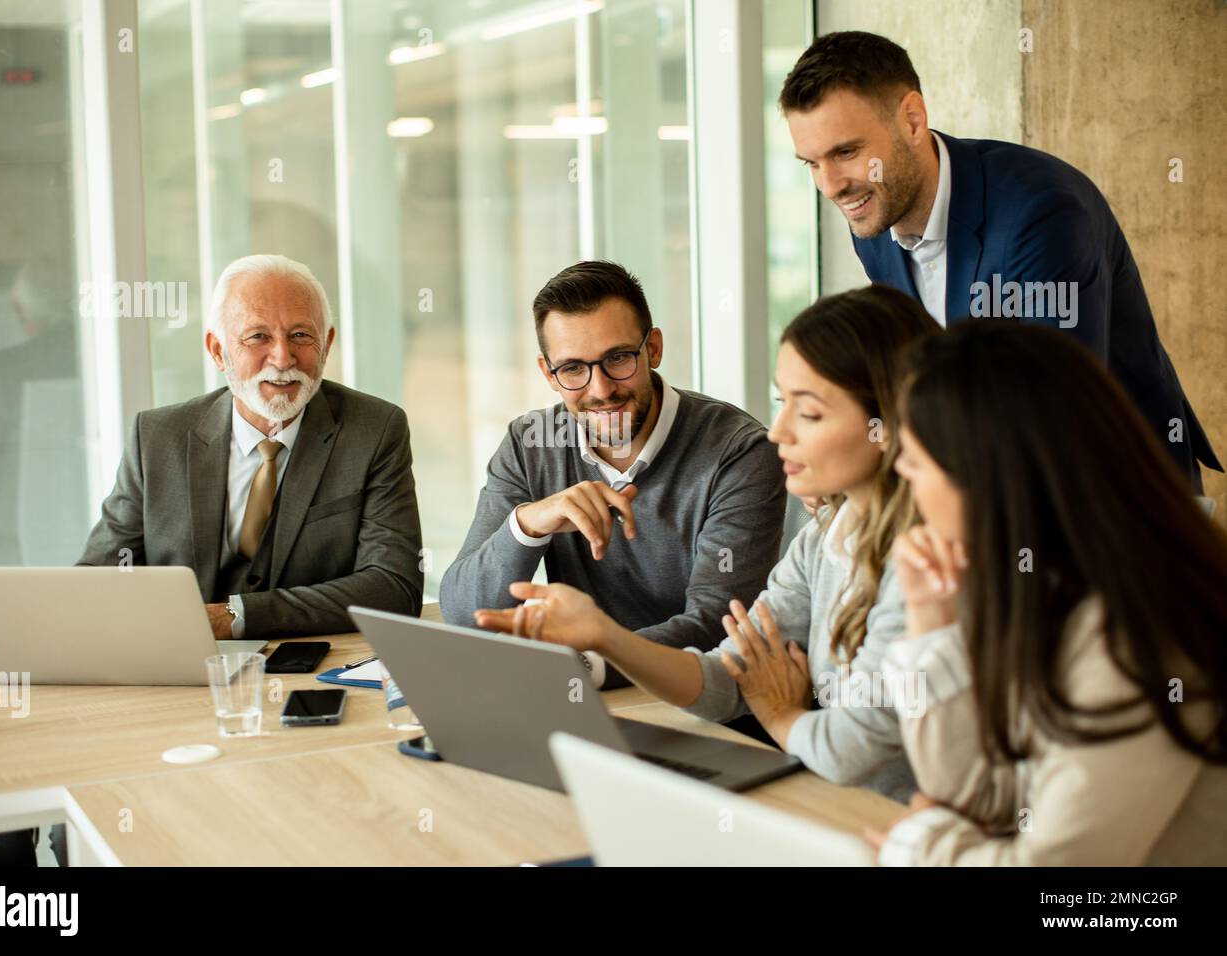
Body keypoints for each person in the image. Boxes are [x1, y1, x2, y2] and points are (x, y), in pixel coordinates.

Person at [476, 285, 941, 800]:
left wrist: (780, 714)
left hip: (899, 831)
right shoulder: (824, 537)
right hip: (848, 814)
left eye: (808, 413)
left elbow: (848, 748)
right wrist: (602, 634)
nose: (778, 431)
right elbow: (728, 676)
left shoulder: (929, 561)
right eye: (782, 403)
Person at [778, 30, 1220, 488]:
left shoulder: (1041, 212)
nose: (830, 185)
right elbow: (912, 373)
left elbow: (1048, 412)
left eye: (846, 152)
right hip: (982, 488)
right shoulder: (874, 214)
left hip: (1114, 499)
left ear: (911, 120)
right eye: (810, 163)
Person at [871, 321, 1227, 864]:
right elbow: (974, 798)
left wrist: (920, 845)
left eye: (915, 461)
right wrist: (930, 622)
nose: (898, 472)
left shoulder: (1134, 632)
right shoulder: (1041, 582)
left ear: (989, 476)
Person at [440, 260, 785, 689]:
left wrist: (585, 665)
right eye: (572, 369)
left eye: (618, 358)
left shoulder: (739, 451)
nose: (601, 389)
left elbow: (716, 623)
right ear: (549, 373)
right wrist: (529, 523)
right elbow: (462, 612)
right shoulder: (531, 443)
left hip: (699, 701)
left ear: (653, 348)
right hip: (585, 698)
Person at [78, 254, 423, 638]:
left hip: (314, 665)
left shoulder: (374, 430)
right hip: (182, 670)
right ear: (216, 350)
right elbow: (100, 581)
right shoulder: (157, 437)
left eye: (300, 335)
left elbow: (394, 587)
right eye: (258, 336)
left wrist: (234, 616)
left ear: (326, 344)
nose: (282, 358)